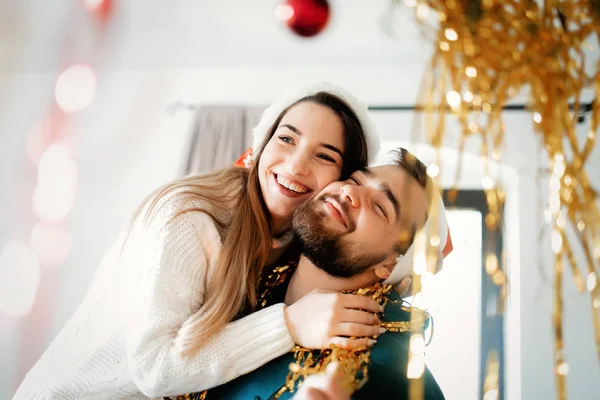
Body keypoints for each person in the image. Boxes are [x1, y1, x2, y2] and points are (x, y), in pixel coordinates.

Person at [12, 83, 384, 400]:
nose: (296, 166)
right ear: (262, 145)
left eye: (324, 155)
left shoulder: (291, 242)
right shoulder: (188, 216)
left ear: (342, 181)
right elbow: (154, 366)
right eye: (286, 139)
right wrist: (288, 324)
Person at [178, 148, 452, 400]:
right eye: (356, 180)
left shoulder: (385, 374)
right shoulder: (240, 287)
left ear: (392, 265)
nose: (350, 193)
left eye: (380, 208)